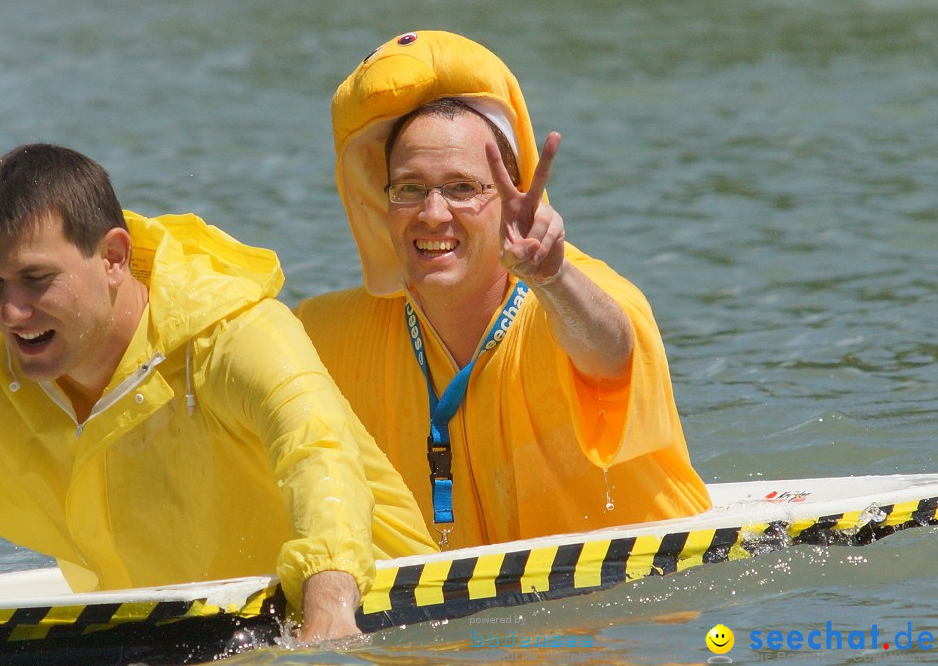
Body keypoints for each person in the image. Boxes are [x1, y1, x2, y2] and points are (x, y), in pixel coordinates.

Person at [0, 144, 437, 640]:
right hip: (194, 638)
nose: (11, 311)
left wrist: (330, 608)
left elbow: (317, 454)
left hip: (400, 626)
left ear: (113, 257)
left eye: (37, 280)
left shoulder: (235, 335)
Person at [295, 30, 711, 550]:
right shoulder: (325, 333)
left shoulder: (569, 294)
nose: (433, 214)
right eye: (410, 189)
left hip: (637, 610)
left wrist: (552, 279)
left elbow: (610, 353)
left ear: (512, 197)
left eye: (463, 188)